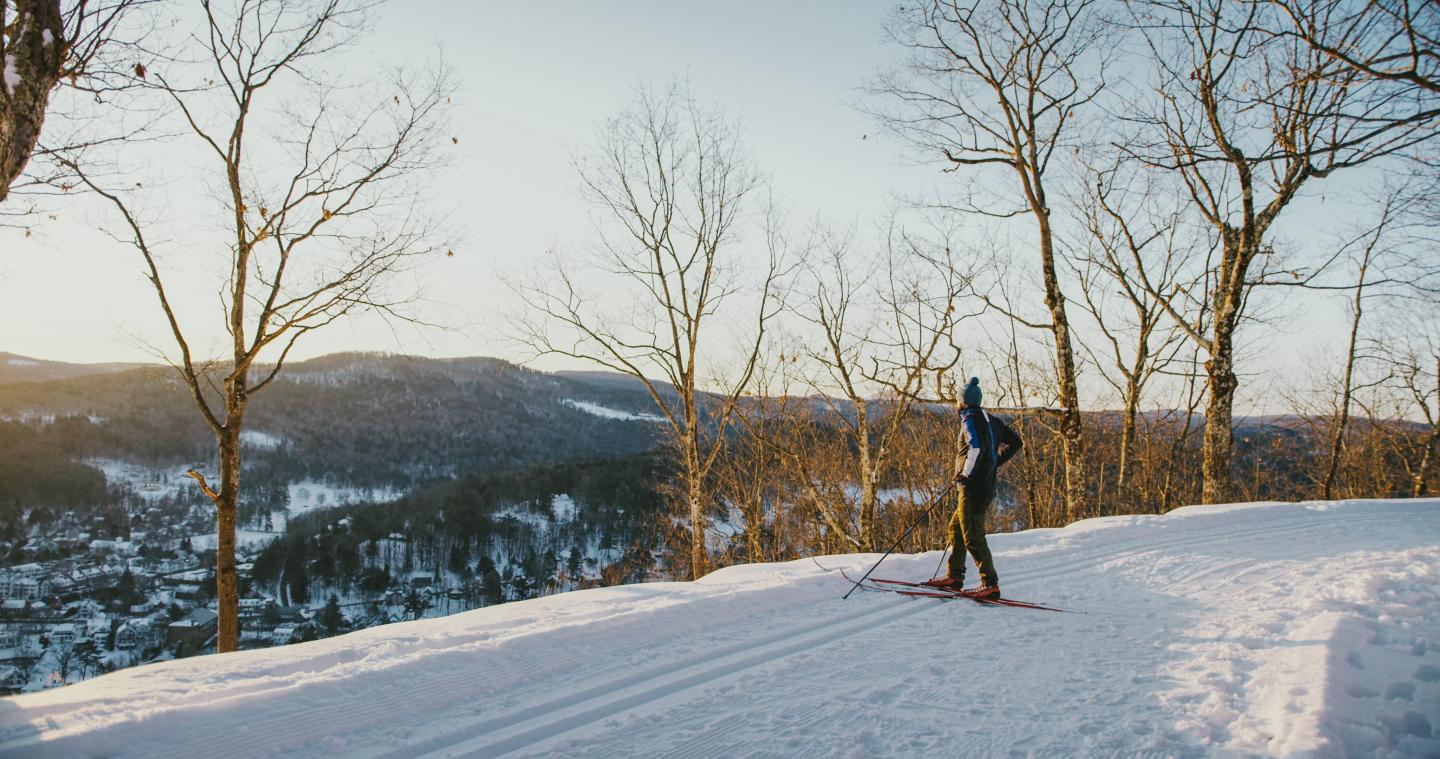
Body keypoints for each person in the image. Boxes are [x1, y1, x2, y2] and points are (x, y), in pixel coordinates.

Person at [924, 377, 1023, 599]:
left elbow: (975, 448)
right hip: (985, 486)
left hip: (973, 489)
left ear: (963, 402)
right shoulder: (992, 420)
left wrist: (964, 476)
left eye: (957, 400)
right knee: (956, 527)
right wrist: (994, 461)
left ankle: (990, 584)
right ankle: (955, 576)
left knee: (973, 536)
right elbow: (1016, 442)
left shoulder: (969, 419)